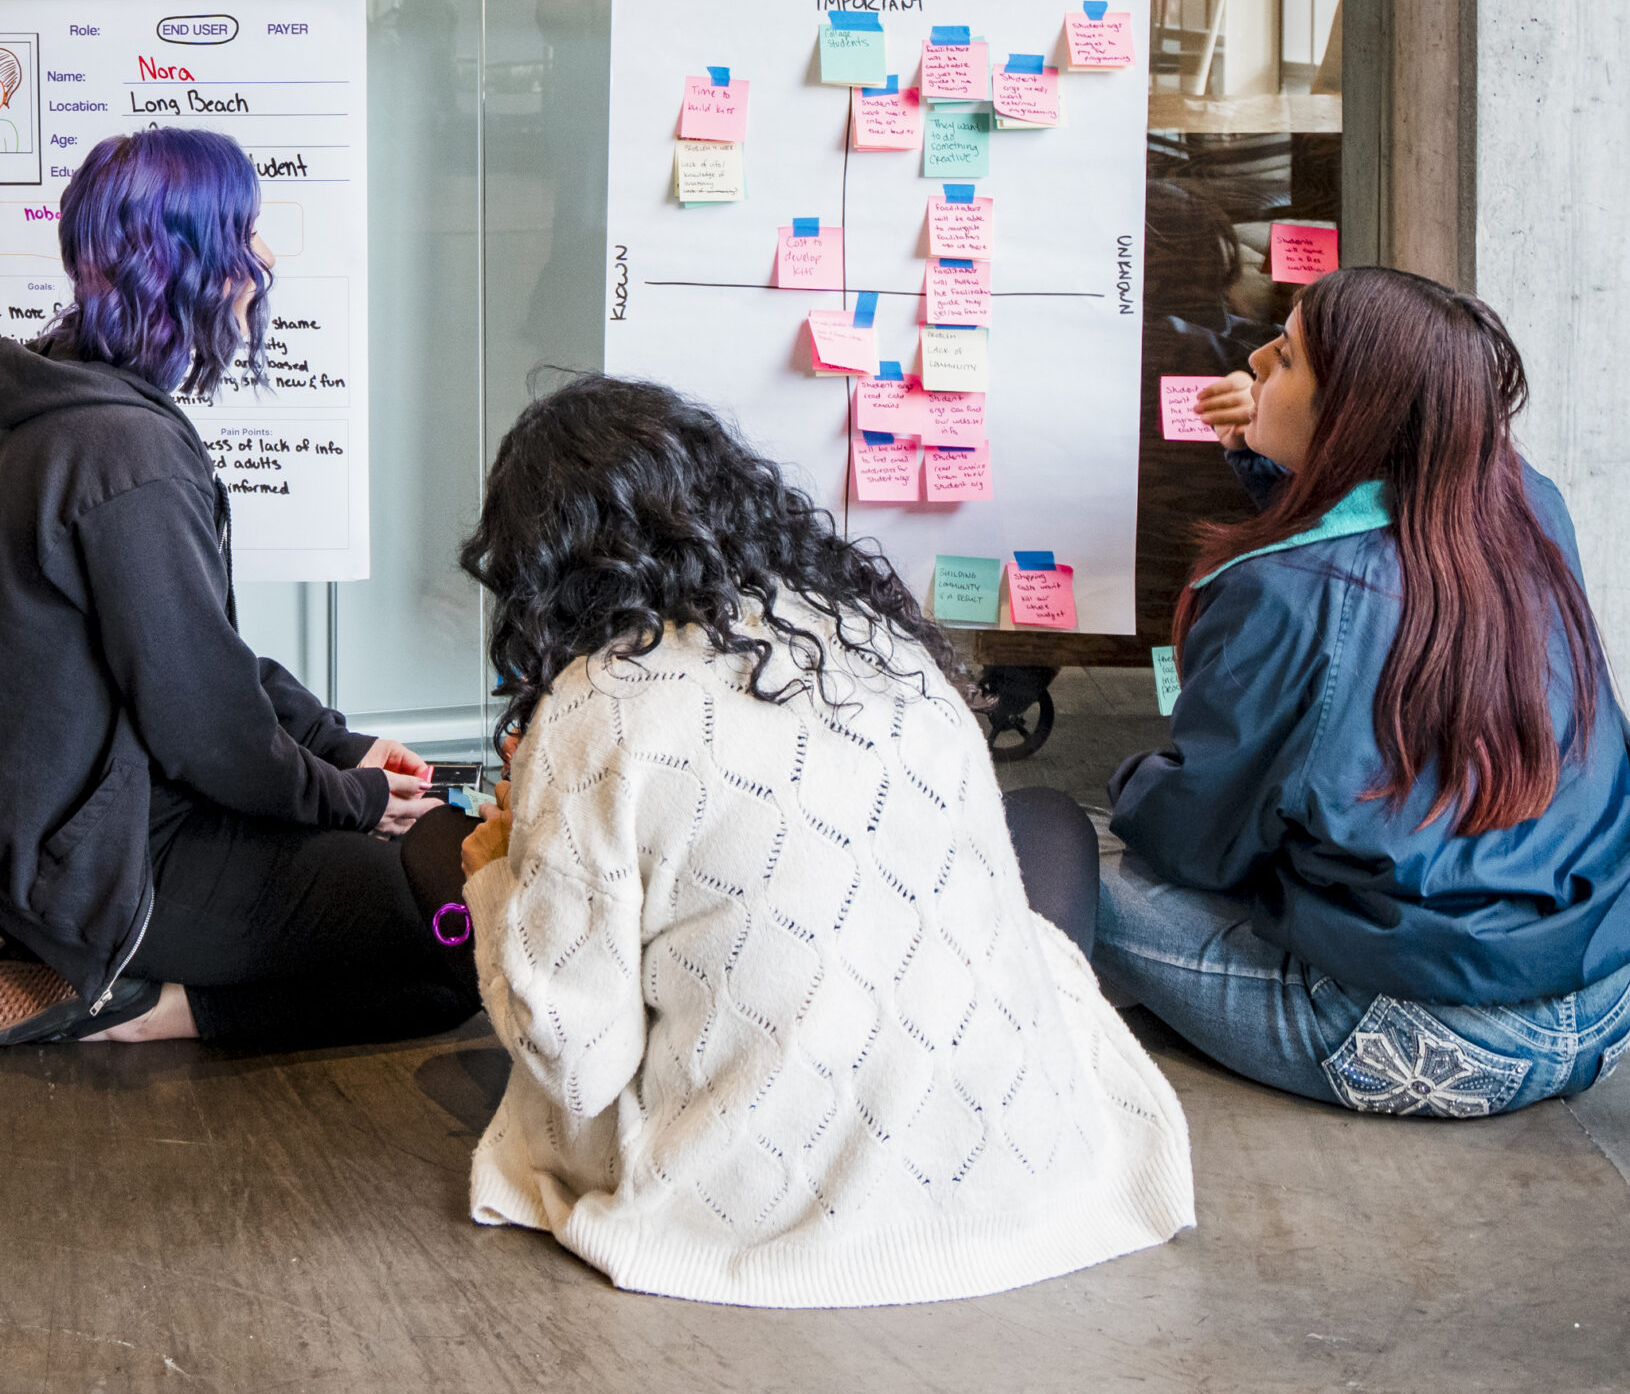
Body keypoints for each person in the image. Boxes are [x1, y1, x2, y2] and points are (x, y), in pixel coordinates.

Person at [454, 373, 1194, 1308]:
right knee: (1041, 838)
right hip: (1021, 1162)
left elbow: (578, 1057)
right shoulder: (881, 639)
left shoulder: (599, 699)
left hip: (750, 1201)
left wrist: (500, 878)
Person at [1099, 266, 1630, 1116]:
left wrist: (1128, 786)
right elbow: (1365, 559)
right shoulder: (1528, 501)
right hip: (1605, 1001)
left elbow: (1197, 840)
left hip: (1426, 1038)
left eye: (1287, 356)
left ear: (1351, 416)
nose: (1255, 360)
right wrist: (1266, 450)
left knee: (1045, 850)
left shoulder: (1282, 595)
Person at [0, 127, 478, 1050]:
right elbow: (206, 730)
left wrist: (340, 746)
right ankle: (147, 1010)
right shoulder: (125, 454)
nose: (265, 258)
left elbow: (197, 658)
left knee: (436, 862)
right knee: (463, 939)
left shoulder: (61, 399)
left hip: (78, 832)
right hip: (108, 868)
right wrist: (354, 799)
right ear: (185, 262)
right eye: (245, 231)